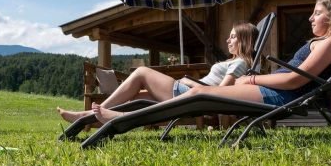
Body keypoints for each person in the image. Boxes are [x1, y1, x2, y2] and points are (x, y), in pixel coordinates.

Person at [93, 0, 331, 122]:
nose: (311, 17)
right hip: (269, 91)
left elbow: (293, 81)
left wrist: (252, 80)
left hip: (277, 97)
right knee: (198, 95)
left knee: (200, 96)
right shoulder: (323, 42)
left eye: (318, 13)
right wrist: (253, 81)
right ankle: (113, 115)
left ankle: (120, 118)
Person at [57, 21, 259, 123]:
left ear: (244, 40)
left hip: (190, 94)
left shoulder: (240, 63)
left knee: (142, 73)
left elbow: (221, 94)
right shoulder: (236, 62)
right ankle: (108, 115)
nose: (227, 40)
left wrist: (191, 84)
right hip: (189, 92)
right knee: (135, 94)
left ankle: (89, 115)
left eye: (232, 37)